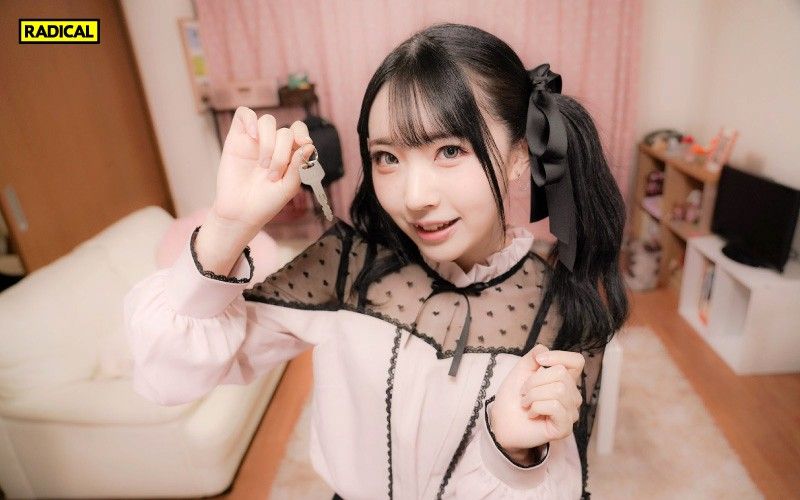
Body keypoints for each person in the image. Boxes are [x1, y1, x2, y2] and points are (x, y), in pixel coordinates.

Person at [124, 22, 628, 499]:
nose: (414, 197)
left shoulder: (563, 302)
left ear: (519, 154)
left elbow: (560, 484)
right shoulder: (347, 267)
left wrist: (514, 454)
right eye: (387, 157)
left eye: (450, 151)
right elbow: (169, 374)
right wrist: (227, 225)